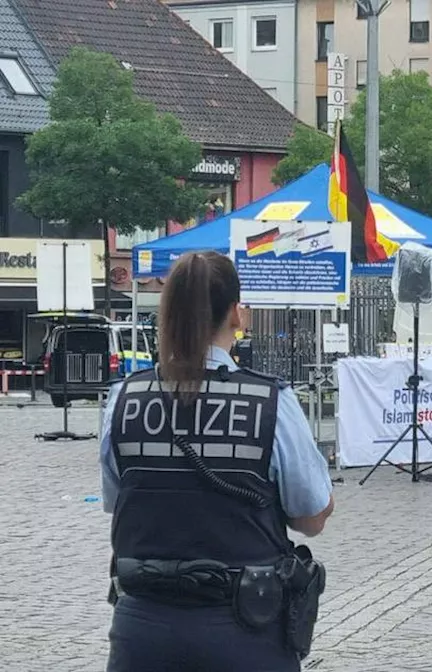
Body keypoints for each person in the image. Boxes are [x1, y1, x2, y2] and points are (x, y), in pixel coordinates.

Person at [99, 251, 335, 672]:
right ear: (236, 314)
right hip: (244, 631)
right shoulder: (271, 402)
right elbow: (311, 517)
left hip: (143, 632)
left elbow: (121, 503)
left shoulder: (124, 399)